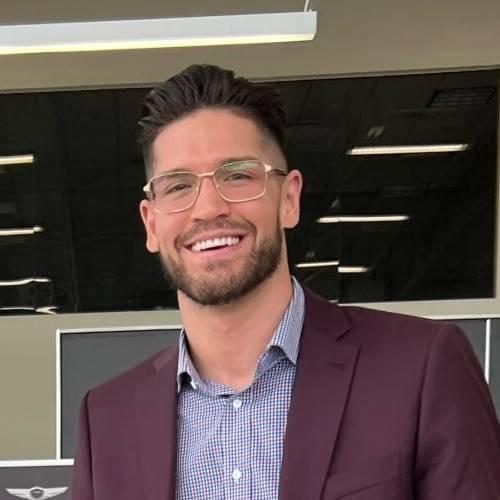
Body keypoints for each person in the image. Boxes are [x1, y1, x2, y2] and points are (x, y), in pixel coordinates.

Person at [71, 64, 500, 500]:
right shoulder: (106, 420)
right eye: (178, 186)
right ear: (151, 223)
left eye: (237, 175)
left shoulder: (420, 369)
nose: (208, 208)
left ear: (289, 199)